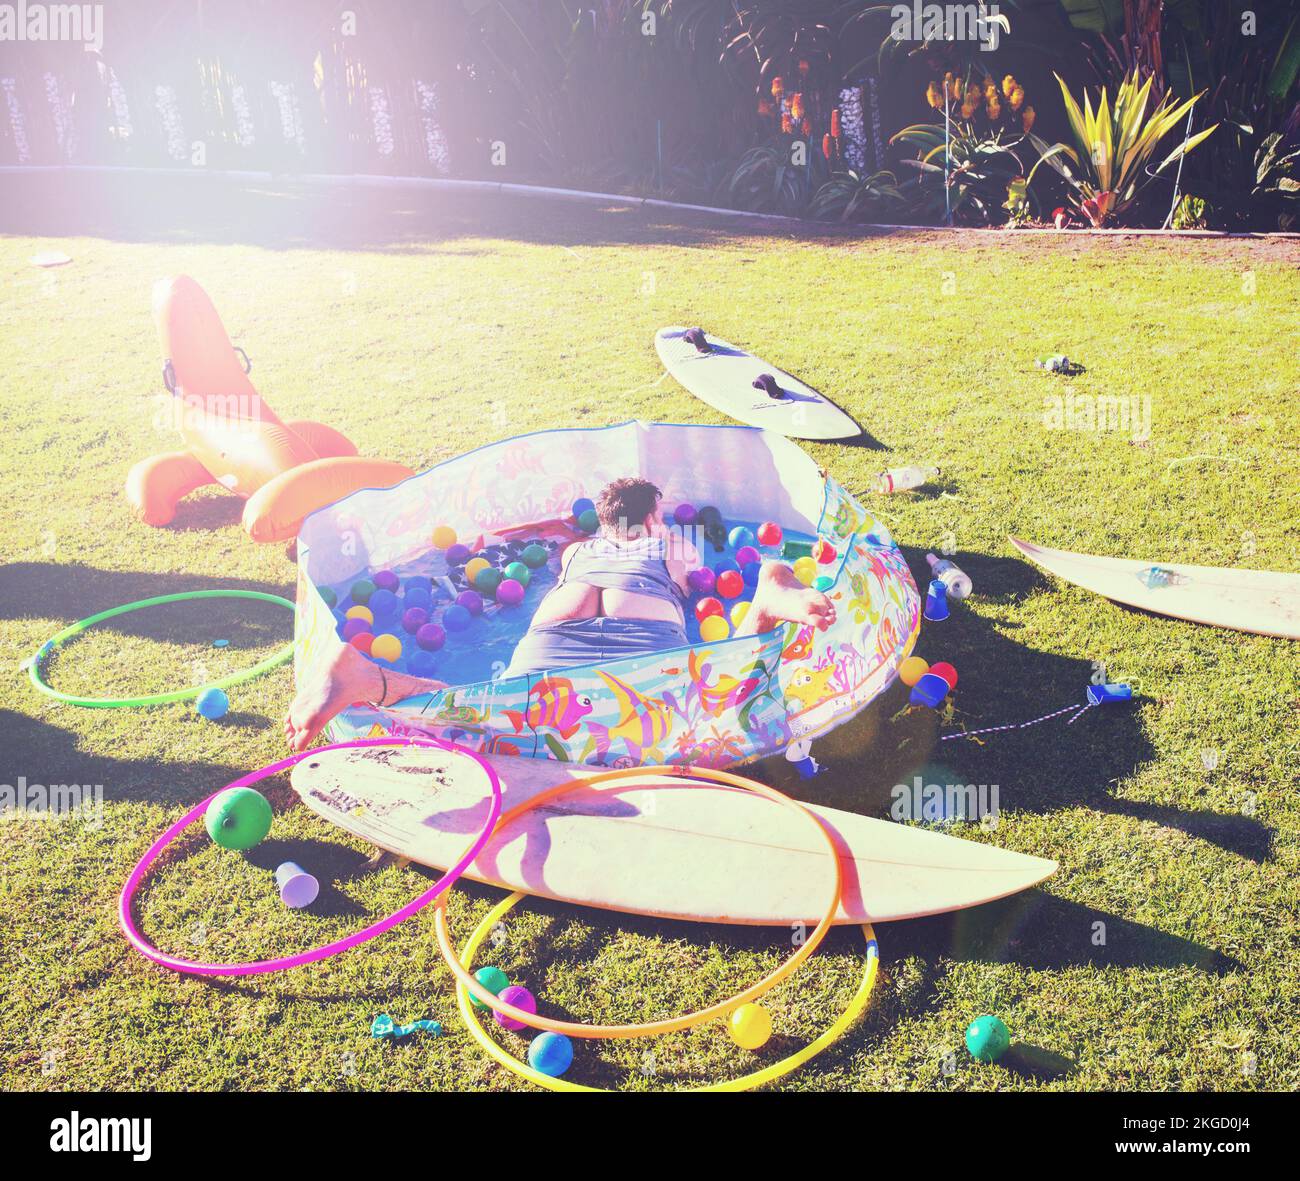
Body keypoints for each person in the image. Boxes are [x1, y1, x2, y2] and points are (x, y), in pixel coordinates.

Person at [284, 477, 835, 751]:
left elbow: (557, 549)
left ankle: (373, 677)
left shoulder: (577, 550)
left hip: (555, 626)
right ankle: (765, 601)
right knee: (717, 703)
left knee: (487, 721)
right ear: (655, 515)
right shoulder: (671, 542)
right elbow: (690, 585)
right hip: (640, 629)